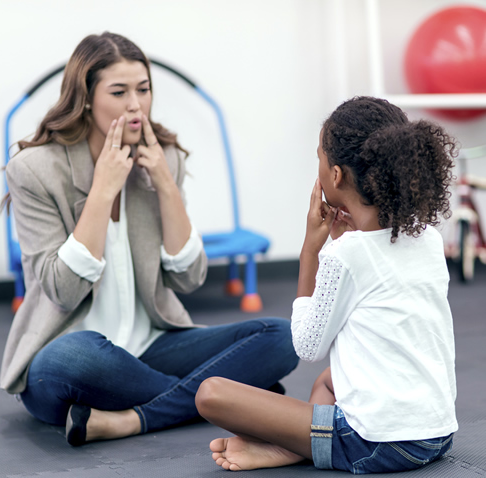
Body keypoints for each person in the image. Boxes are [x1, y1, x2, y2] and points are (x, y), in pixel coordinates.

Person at [0, 32, 299, 447]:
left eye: (143, 89)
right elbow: (63, 291)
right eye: (118, 92)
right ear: (85, 99)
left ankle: (133, 418)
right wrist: (102, 190)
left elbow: (188, 279)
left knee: (281, 337)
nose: (135, 104)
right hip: (69, 354)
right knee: (75, 355)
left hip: (151, 345)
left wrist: (164, 183)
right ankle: (227, 395)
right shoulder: (34, 169)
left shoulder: (163, 157)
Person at [195, 96, 458, 474]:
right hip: (436, 435)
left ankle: (297, 445)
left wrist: (310, 251)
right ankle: (300, 445)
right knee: (330, 381)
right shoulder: (427, 238)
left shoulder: (345, 255)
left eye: (319, 156)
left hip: (379, 445)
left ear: (335, 175)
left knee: (211, 393)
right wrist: (342, 245)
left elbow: (307, 346)